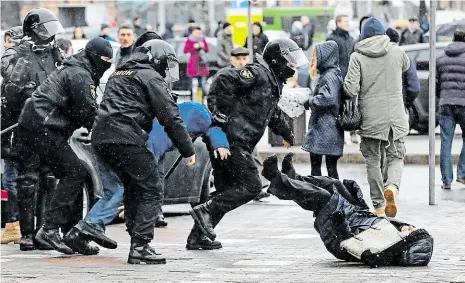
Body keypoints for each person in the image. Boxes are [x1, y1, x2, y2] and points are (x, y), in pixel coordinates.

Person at [72, 101, 229, 251]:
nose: (191, 138)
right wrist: (133, 201)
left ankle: (81, 232)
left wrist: (219, 143)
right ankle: (134, 242)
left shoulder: (182, 115)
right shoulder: (163, 134)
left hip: (105, 137)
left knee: (113, 190)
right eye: (192, 134)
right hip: (125, 142)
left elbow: (210, 127)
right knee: (132, 188)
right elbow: (146, 170)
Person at [92, 39, 195, 264]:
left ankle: (136, 239)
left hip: (102, 138)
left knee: (133, 186)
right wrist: (187, 149)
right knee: (151, 188)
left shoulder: (119, 73)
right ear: (157, 59)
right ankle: (141, 245)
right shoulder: (150, 76)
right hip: (126, 138)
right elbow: (171, 116)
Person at [194, 37, 305, 246]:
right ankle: (205, 212)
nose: (292, 68)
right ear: (276, 61)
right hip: (232, 141)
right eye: (289, 63)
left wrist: (286, 133)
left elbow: (271, 113)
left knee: (227, 191)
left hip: (238, 141)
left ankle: (197, 236)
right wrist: (221, 115)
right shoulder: (258, 73)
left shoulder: (272, 81)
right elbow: (223, 78)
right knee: (252, 186)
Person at [15, 37, 113, 256]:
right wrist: (107, 134)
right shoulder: (80, 74)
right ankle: (50, 229)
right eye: (106, 59)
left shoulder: (79, 67)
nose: (107, 64)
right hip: (43, 125)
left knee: (69, 172)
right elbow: (87, 111)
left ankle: (69, 232)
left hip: (36, 122)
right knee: (74, 171)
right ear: (96, 57)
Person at [260, 153, 434, 268]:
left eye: (413, 232)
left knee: (321, 196)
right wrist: (359, 200)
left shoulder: (380, 251)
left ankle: (276, 179)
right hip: (353, 213)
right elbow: (370, 219)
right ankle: (293, 178)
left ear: (409, 244)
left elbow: (350, 244)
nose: (411, 227)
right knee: (333, 183)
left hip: (338, 228)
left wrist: (340, 224)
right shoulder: (396, 233)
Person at [3, 8, 65, 251]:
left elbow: (65, 77)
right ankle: (26, 234)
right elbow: (10, 86)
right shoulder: (17, 52)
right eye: (44, 29)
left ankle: (44, 231)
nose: (48, 35)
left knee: (49, 180)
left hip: (52, 125)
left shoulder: (55, 52)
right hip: (27, 125)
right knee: (27, 180)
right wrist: (22, 83)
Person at [344, 17, 410, 217]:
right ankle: (392, 187)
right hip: (395, 117)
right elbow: (406, 67)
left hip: (371, 117)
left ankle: (379, 205)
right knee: (396, 156)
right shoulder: (397, 52)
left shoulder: (357, 56)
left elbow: (351, 88)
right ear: (383, 33)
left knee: (372, 160)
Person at [302, 41, 344, 180]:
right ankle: (333, 195)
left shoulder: (329, 76)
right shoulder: (332, 73)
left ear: (325, 57)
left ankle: (321, 195)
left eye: (316, 56)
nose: (313, 59)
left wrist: (310, 101)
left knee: (318, 167)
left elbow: (329, 99)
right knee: (329, 168)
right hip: (327, 128)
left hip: (325, 128)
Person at [0, 25, 23, 245]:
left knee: (12, 180)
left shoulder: (15, 58)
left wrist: (11, 49)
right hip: (17, 130)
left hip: (15, 131)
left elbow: (8, 73)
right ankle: (18, 225)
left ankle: (16, 225)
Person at [436, 30, 465, 189]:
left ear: (453, 39)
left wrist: (441, 97)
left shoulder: (441, 58)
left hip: (446, 103)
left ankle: (446, 180)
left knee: (446, 142)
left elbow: (435, 82)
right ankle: (462, 173)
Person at [326, 15, 354, 79]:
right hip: (337, 77)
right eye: (345, 21)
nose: (348, 24)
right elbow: (328, 61)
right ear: (338, 23)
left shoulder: (350, 39)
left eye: (348, 21)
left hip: (350, 77)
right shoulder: (331, 39)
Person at [184, 27, 209, 95]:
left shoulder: (203, 39)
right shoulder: (189, 40)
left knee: (202, 85)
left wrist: (203, 46)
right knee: (192, 86)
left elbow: (207, 50)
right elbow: (185, 50)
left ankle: (201, 99)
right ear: (193, 32)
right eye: (197, 32)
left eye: (199, 33)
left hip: (202, 65)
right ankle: (193, 99)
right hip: (193, 65)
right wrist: (194, 47)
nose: (198, 34)